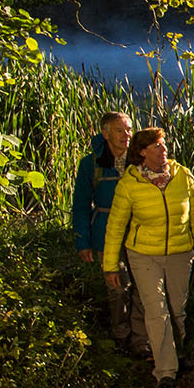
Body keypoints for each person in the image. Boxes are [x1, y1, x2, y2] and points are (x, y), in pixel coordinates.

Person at [102, 127, 194, 388]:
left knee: (176, 310)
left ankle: (176, 354)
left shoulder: (182, 175)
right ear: (142, 152)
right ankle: (165, 373)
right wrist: (110, 265)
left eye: (163, 145)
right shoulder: (130, 183)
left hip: (180, 252)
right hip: (143, 255)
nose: (164, 150)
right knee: (156, 310)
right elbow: (116, 226)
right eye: (157, 146)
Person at [68, 111, 147, 358]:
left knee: (143, 286)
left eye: (129, 130)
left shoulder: (140, 161)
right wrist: (83, 240)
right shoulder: (91, 163)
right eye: (119, 130)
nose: (126, 135)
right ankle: (121, 335)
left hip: (139, 233)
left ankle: (141, 340)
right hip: (104, 232)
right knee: (117, 287)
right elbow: (81, 204)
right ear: (105, 133)